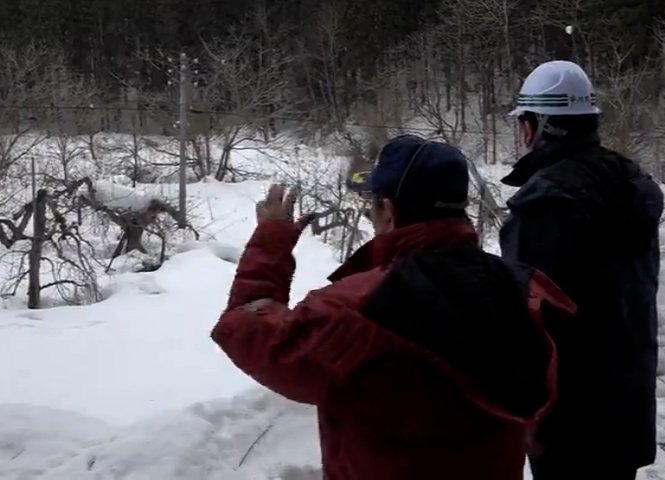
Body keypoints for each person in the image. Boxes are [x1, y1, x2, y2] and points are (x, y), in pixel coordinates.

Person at [211, 134, 576, 480]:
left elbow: (245, 329)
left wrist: (270, 241)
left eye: (372, 207)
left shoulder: (356, 310)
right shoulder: (522, 291)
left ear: (387, 210)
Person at [498, 60, 664, 480]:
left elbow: (532, 323)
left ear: (537, 126)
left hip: (568, 420)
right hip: (626, 404)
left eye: (524, 123)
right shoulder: (626, 183)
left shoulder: (546, 203)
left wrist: (529, 411)